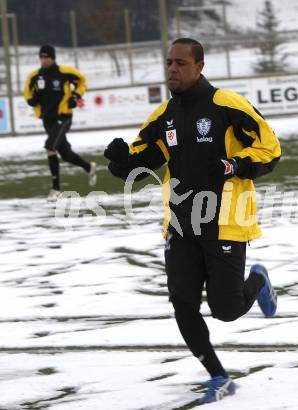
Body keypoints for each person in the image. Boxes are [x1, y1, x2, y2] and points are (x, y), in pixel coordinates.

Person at [104, 38, 281, 404]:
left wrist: (234, 164)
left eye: (181, 63)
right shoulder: (163, 116)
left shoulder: (227, 104)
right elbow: (141, 164)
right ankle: (218, 376)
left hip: (226, 221)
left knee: (227, 310)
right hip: (181, 223)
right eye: (169, 62)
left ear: (200, 66)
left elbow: (270, 147)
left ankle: (259, 280)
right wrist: (121, 160)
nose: (173, 69)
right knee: (183, 304)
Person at [24, 45, 97, 201]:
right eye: (41, 57)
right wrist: (31, 100)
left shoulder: (65, 72)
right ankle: (89, 167)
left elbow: (82, 81)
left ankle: (55, 189)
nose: (43, 60)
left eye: (46, 57)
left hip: (63, 117)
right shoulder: (35, 76)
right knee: (66, 155)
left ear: (53, 58)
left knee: (50, 147)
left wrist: (75, 96)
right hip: (47, 120)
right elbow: (28, 93)